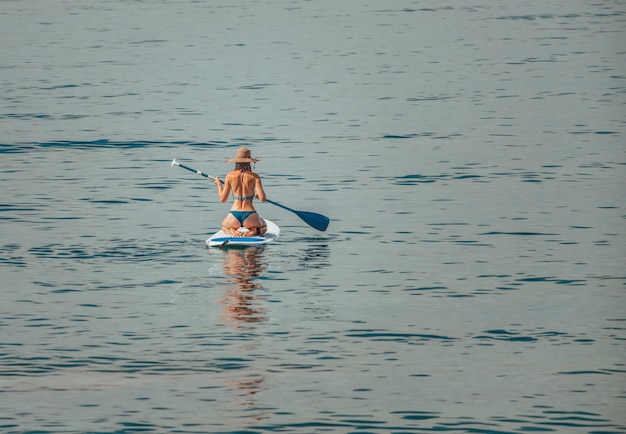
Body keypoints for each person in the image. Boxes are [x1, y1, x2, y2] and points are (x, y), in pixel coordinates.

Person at [214, 147, 267, 237]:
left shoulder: (229, 176)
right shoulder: (255, 176)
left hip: (234, 214)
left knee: (224, 227)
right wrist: (258, 195)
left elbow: (222, 199)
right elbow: (263, 199)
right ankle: (253, 231)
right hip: (250, 215)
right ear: (250, 161)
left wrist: (219, 184)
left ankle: (233, 231)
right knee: (264, 227)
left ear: (236, 161)